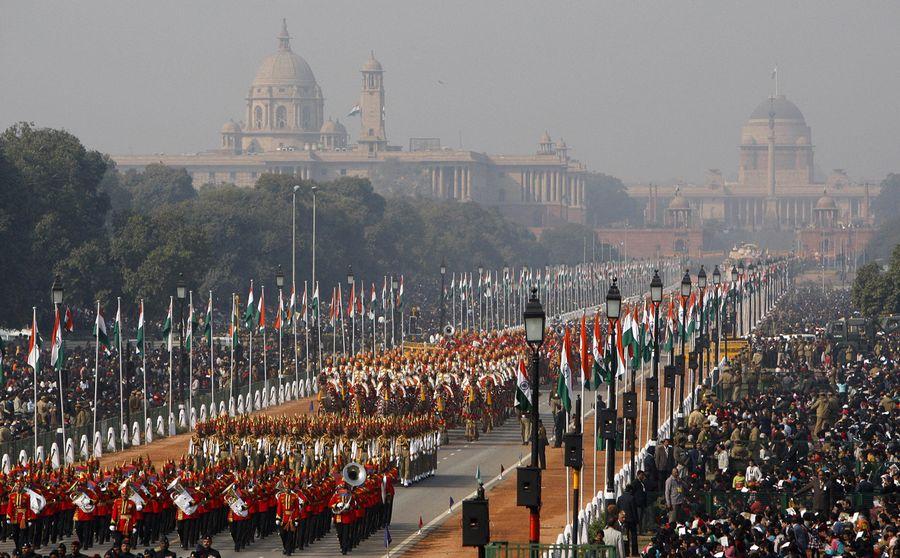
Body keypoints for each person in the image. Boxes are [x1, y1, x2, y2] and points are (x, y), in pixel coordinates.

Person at [616, 484, 639, 557]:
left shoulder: (620, 498)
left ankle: (626, 551)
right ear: (631, 490)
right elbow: (634, 510)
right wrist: (637, 520)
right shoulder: (632, 498)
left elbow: (618, 509)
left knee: (625, 537)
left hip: (623, 520)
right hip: (632, 520)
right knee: (634, 536)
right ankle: (634, 552)